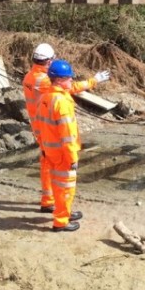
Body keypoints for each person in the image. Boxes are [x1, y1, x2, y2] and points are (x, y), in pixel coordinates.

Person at [22, 43, 110, 213]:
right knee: (58, 170)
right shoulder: (46, 82)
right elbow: (70, 87)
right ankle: (58, 208)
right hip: (50, 127)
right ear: (48, 61)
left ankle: (49, 201)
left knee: (47, 162)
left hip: (40, 125)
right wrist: (94, 80)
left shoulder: (29, 77)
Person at [36, 59, 87, 232]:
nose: (71, 80)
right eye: (68, 78)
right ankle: (61, 222)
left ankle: (64, 212)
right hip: (62, 153)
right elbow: (67, 135)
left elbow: (41, 127)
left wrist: (43, 148)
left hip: (50, 150)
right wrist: (73, 157)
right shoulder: (61, 102)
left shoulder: (45, 97)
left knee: (58, 186)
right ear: (59, 80)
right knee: (66, 188)